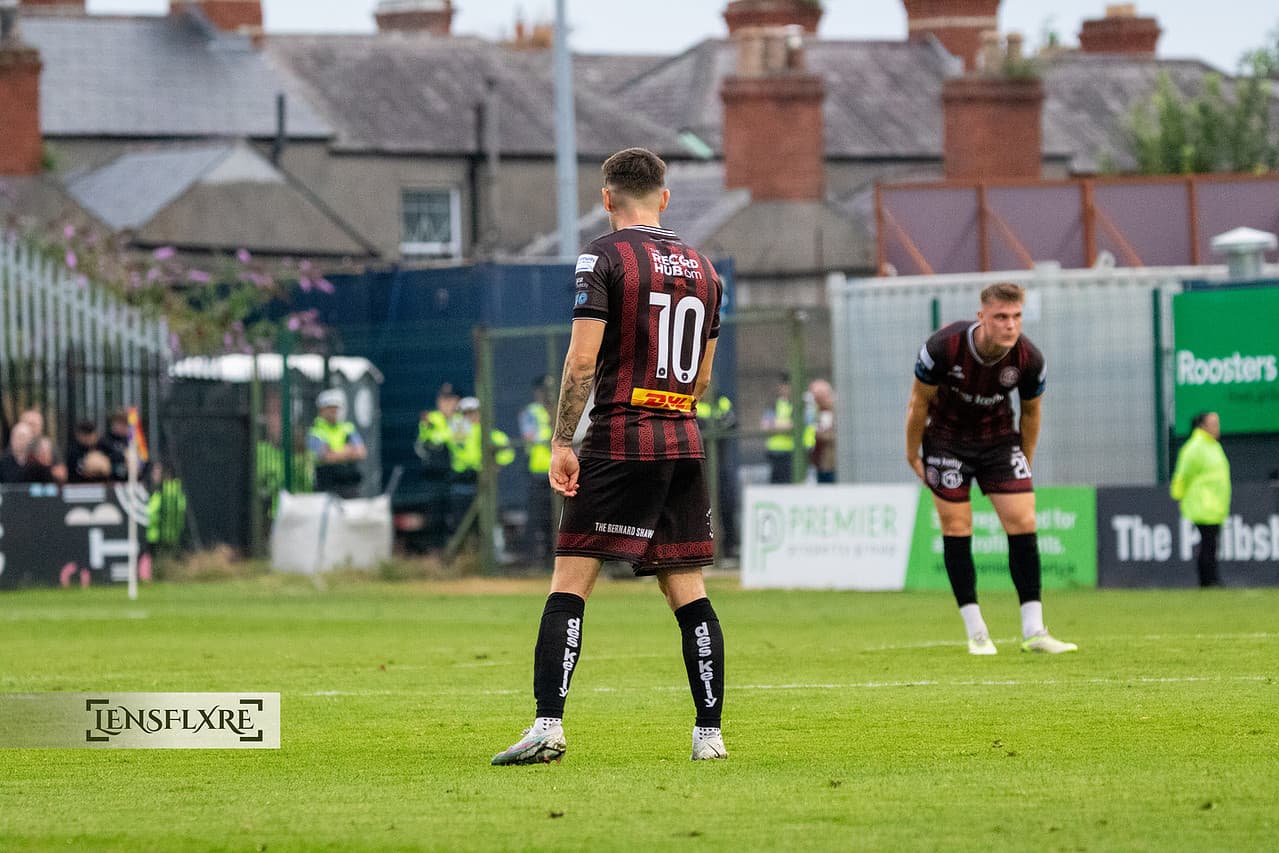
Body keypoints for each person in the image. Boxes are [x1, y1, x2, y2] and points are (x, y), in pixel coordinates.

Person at [491, 148, 727, 767]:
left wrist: (562, 439)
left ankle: (548, 726)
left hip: (622, 437)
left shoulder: (604, 255)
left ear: (607, 198)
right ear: (665, 198)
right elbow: (702, 378)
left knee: (571, 581)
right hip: (682, 438)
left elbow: (580, 359)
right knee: (690, 590)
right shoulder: (705, 269)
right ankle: (709, 735)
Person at [905, 282, 1077, 656]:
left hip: (999, 440)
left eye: (1016, 316)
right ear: (982, 316)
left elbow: (1031, 413)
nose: (1010, 325)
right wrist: (912, 452)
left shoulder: (1029, 359)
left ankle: (1034, 631)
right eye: (1001, 316)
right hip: (947, 440)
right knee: (957, 526)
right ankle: (977, 632)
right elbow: (918, 402)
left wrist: (1024, 460)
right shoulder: (942, 347)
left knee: (1023, 521)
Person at [1170, 411, 1230, 588]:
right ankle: (1208, 581)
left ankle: (1211, 579)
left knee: (1211, 543)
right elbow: (1183, 474)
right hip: (1203, 503)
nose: (1217, 428)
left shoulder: (1213, 446)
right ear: (1203, 426)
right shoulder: (1195, 447)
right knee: (1208, 542)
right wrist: (1178, 495)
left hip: (1214, 504)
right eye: (1213, 424)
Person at [696, 385, 739, 555]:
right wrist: (711, 424)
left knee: (726, 503)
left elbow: (731, 421)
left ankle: (729, 547)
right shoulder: (693, 399)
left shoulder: (721, 400)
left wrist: (709, 424)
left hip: (719, 465)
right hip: (699, 465)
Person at [307, 388, 367, 499]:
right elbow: (325, 457)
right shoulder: (316, 431)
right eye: (330, 408)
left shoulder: (347, 428)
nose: (334, 412)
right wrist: (348, 450)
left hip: (349, 485)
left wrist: (335, 452)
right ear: (321, 410)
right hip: (326, 486)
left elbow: (361, 452)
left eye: (336, 408)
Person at [519, 374, 554, 561]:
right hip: (539, 471)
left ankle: (553, 555)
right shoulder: (531, 412)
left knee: (558, 518)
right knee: (538, 517)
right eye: (544, 391)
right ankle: (535, 558)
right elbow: (529, 436)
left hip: (561, 470)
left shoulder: (562, 409)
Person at [761, 375, 796, 483]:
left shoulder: (795, 404)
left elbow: (795, 425)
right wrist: (785, 425)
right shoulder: (773, 404)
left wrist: (775, 424)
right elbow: (765, 426)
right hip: (774, 452)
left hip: (790, 452)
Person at [809, 378, 836, 483]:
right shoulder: (818, 412)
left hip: (832, 464)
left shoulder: (836, 411)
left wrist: (820, 434)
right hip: (819, 463)